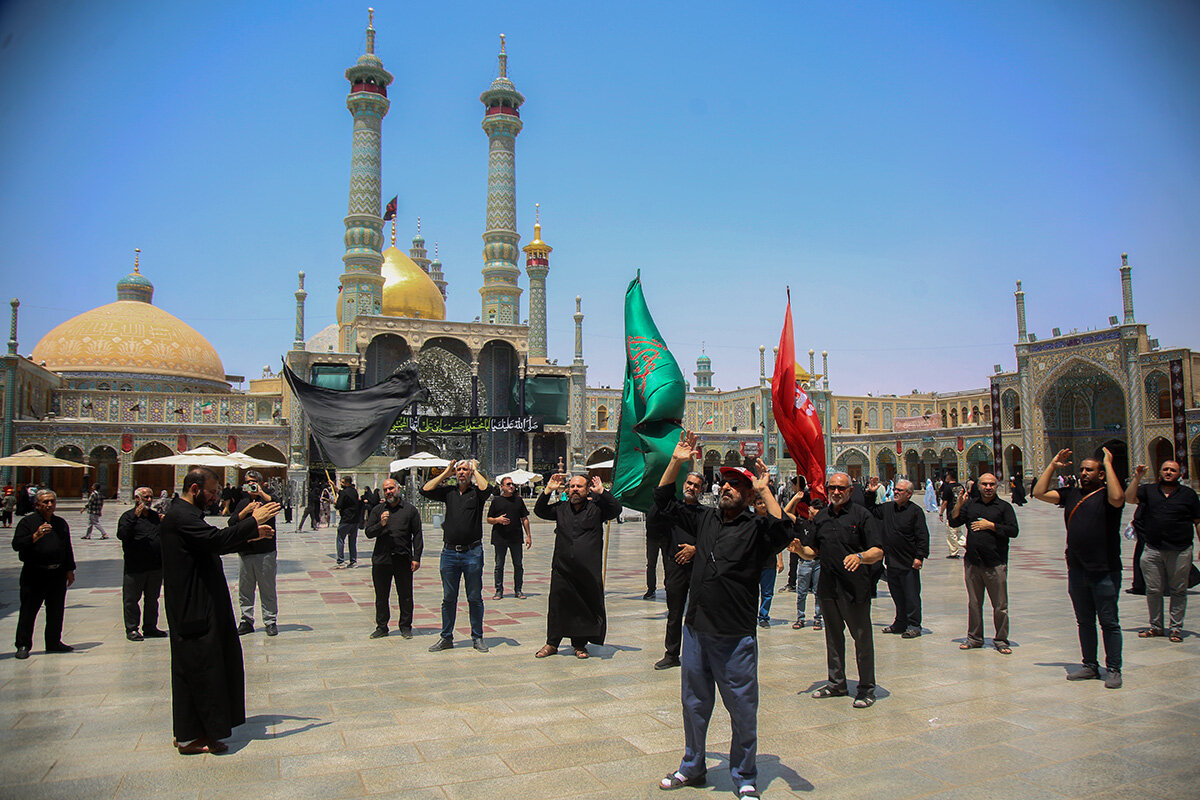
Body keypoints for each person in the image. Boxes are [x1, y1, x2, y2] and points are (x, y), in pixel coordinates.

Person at [653, 431, 791, 798]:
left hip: (734, 635)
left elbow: (783, 532)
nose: (726, 487)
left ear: (747, 495)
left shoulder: (756, 528)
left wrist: (764, 490)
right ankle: (693, 765)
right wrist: (676, 461)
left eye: (735, 485)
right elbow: (663, 501)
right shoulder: (705, 519)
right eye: (724, 482)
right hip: (696, 629)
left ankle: (744, 775)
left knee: (742, 708)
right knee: (694, 704)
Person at [160, 467, 279, 755]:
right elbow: (214, 540)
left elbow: (210, 543)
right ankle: (191, 737)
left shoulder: (187, 515)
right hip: (194, 606)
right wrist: (252, 522)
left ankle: (193, 732)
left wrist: (249, 536)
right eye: (212, 492)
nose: (216, 497)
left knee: (205, 666)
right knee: (201, 669)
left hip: (200, 601)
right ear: (195, 489)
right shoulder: (181, 516)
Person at [1033, 448, 1125, 688]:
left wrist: (1108, 463)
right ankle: (1090, 665)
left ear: (1101, 474)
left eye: (1089, 470)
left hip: (1105, 570)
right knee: (1084, 621)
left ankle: (1114, 668)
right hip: (1077, 569)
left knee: (1109, 622)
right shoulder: (1072, 494)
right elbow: (1039, 492)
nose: (1083, 473)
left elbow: (1118, 498)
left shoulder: (1107, 496)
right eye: (1082, 469)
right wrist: (1052, 465)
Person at [795, 472, 884, 708]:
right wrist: (800, 550)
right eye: (832, 487)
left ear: (850, 491)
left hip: (854, 587)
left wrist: (860, 557)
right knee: (833, 637)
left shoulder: (861, 515)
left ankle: (866, 688)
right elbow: (813, 552)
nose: (836, 492)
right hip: (828, 587)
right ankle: (837, 683)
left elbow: (878, 551)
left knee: (861, 637)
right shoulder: (822, 517)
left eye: (841, 488)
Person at [533, 473, 621, 659]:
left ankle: (579, 644)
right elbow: (539, 511)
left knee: (582, 606)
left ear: (587, 489)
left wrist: (603, 492)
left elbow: (616, 509)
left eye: (579, 487)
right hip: (562, 568)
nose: (575, 490)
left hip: (587, 570)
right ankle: (552, 643)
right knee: (557, 605)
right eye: (572, 486)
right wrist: (547, 490)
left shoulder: (597, 509)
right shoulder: (561, 508)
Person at [421, 459, 494, 653]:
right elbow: (425, 490)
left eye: (465, 470)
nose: (461, 472)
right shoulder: (449, 493)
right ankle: (446, 637)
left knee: (474, 597)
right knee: (448, 597)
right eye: (459, 470)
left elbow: (487, 489)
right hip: (450, 553)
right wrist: (446, 473)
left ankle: (477, 637)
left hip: (472, 552)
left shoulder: (476, 493)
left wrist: (475, 470)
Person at [1124, 460, 1200, 643]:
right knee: (1153, 590)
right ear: (1160, 472)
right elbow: (1129, 498)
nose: (1168, 472)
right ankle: (1156, 626)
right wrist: (1137, 477)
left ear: (1179, 474)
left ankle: (1175, 628)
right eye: (1165, 469)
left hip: (1180, 550)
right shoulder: (1149, 491)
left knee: (1178, 590)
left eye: (1173, 470)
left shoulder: (1188, 494)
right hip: (1153, 549)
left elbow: (1198, 521)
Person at [948, 473, 1019, 654]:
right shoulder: (971, 505)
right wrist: (959, 504)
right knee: (974, 603)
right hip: (973, 562)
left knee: (1000, 605)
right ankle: (974, 638)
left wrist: (991, 526)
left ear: (997, 486)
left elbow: (1013, 531)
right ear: (978, 486)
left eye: (991, 484)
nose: (988, 487)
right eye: (985, 484)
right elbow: (954, 521)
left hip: (995, 562)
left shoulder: (1004, 507)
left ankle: (1001, 639)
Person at [645, 470, 705, 669]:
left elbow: (715, 539)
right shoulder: (673, 508)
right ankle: (671, 654)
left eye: (696, 485)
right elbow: (659, 496)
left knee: (699, 612)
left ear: (701, 489)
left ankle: (699, 654)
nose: (691, 487)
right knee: (675, 612)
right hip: (675, 567)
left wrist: (695, 549)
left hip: (698, 568)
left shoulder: (706, 514)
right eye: (689, 483)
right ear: (683, 484)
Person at [12, 489, 76, 659]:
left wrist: (70, 570)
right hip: (34, 573)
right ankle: (23, 644)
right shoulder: (27, 523)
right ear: (37, 504)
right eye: (45, 502)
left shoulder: (60, 523)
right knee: (29, 610)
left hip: (57, 573)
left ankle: (53, 642)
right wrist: (36, 535)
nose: (49, 505)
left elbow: (66, 548)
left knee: (56, 610)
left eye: (52, 502)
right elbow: (17, 544)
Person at [364, 477, 422, 639]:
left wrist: (416, 557)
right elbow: (368, 532)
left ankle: (405, 626)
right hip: (381, 559)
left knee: (405, 595)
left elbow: (417, 535)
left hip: (402, 558)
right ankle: (382, 627)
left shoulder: (410, 510)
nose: (389, 492)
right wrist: (381, 524)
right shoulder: (378, 510)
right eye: (386, 489)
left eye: (391, 488)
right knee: (381, 595)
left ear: (398, 489)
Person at [872, 478, 929, 639]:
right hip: (892, 560)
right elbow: (870, 510)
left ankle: (914, 625)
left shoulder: (915, 511)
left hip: (908, 561)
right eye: (895, 489)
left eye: (899, 490)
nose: (895, 492)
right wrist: (870, 493)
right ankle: (900, 622)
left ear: (909, 494)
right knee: (897, 594)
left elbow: (922, 535)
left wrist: (919, 556)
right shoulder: (888, 508)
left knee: (911, 595)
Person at [231, 470, 280, 637]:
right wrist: (246, 510)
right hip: (246, 550)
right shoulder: (243, 502)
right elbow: (232, 522)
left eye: (253, 481)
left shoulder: (267, 499)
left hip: (265, 551)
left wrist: (261, 493)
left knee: (267, 587)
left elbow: (277, 504)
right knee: (245, 588)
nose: (250, 484)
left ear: (260, 482)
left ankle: (270, 620)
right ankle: (246, 620)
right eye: (247, 482)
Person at [117, 486, 167, 641]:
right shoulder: (128, 517)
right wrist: (134, 517)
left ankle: (150, 627)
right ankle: (132, 628)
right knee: (131, 600)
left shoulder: (154, 516)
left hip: (155, 566)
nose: (149, 500)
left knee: (152, 599)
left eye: (151, 497)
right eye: (146, 497)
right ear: (137, 498)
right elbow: (122, 534)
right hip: (135, 567)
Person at [487, 476, 531, 599]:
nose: (511, 486)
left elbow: (524, 518)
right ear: (502, 487)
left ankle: (518, 590)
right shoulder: (496, 501)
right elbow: (489, 519)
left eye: (512, 484)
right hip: (500, 538)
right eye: (508, 484)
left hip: (515, 538)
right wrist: (497, 520)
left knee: (518, 565)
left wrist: (528, 536)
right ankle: (498, 590)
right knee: (499, 565)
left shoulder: (518, 500)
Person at [333, 476, 360, 568]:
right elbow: (343, 493)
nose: (341, 484)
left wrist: (335, 503)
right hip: (355, 520)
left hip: (346, 519)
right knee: (352, 541)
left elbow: (339, 505)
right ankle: (353, 561)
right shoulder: (354, 491)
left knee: (340, 539)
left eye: (343, 482)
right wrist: (335, 488)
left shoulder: (344, 493)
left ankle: (340, 561)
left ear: (347, 483)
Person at [937, 472, 965, 558]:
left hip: (951, 513)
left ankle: (954, 552)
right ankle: (966, 544)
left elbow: (945, 502)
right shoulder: (960, 486)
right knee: (958, 532)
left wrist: (941, 513)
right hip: (960, 513)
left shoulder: (947, 488)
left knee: (951, 533)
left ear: (950, 477)